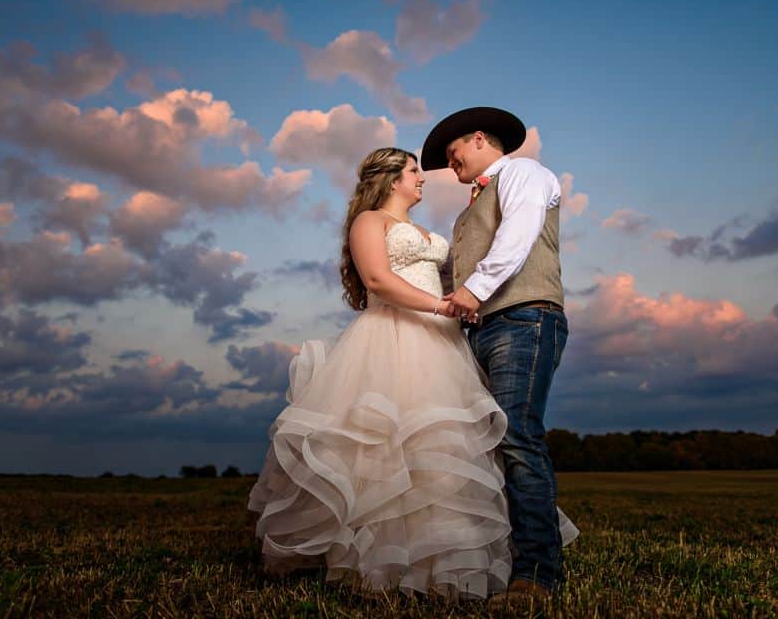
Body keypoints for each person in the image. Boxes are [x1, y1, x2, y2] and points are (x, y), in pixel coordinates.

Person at [246, 147, 575, 600]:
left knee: (442, 449)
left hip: (442, 341)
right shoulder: (369, 221)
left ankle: (439, 556)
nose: (423, 177)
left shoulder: (433, 228)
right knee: (385, 443)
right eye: (414, 170)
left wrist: (454, 307)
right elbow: (378, 281)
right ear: (391, 179)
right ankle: (377, 557)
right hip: (392, 336)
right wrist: (444, 305)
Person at [425, 106, 573, 608]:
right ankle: (502, 560)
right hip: (482, 329)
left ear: (481, 139)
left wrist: (475, 289)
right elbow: (452, 278)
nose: (451, 163)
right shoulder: (468, 211)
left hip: (524, 319)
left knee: (517, 438)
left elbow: (519, 234)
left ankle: (538, 577)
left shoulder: (524, 172)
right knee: (487, 443)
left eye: (454, 152)